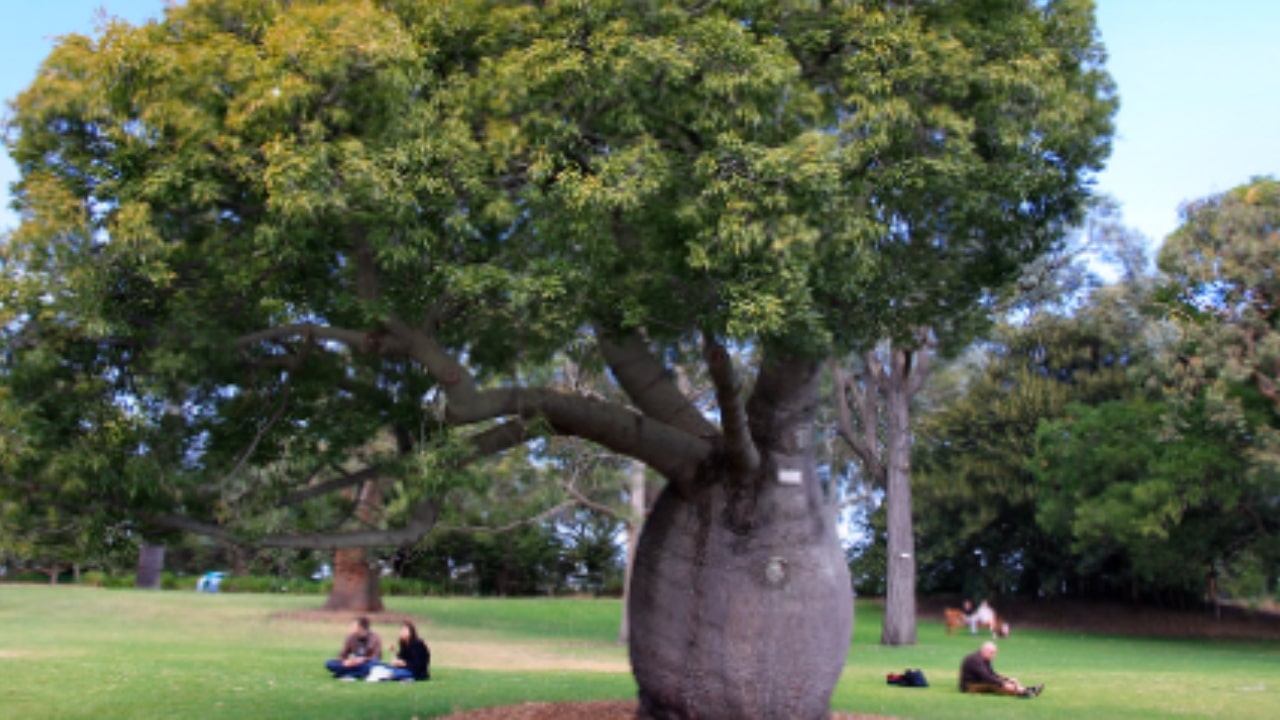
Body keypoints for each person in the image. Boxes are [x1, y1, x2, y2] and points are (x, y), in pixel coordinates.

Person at [958, 641, 1042, 698]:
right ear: (984, 650)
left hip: (979, 681)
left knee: (999, 682)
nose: (994, 655)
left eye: (995, 653)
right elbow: (987, 677)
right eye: (992, 653)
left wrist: (1008, 679)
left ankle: (1026, 690)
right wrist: (1003, 684)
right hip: (969, 686)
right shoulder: (975, 660)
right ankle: (1023, 693)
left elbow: (992, 673)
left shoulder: (984, 659)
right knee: (993, 685)